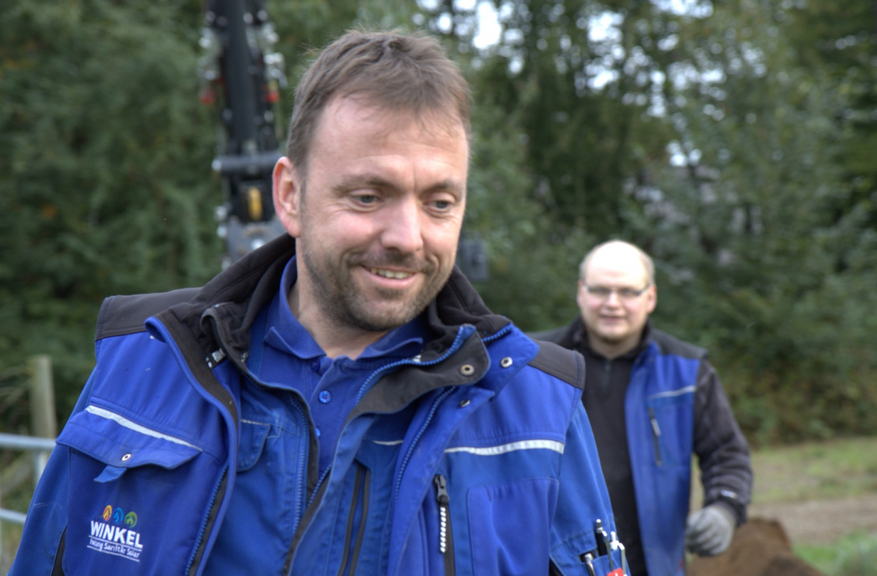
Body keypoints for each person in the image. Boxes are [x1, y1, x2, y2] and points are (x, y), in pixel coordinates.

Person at [11, 31, 627, 576]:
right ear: (290, 194)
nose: (408, 237)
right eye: (368, 196)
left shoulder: (535, 407)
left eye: (439, 203)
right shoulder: (142, 364)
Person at [535, 240, 753, 576]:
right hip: (553, 566)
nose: (612, 303)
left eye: (627, 292)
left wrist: (725, 506)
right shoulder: (535, 364)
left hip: (653, 565)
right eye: (600, 290)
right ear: (581, 292)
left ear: (650, 297)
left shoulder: (688, 372)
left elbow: (727, 453)